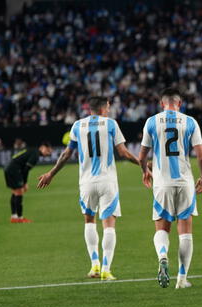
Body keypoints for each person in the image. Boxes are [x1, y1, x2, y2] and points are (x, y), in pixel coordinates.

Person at [37, 96, 142, 280]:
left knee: (89, 221)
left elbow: (66, 154)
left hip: (86, 182)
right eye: (108, 107)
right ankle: (106, 269)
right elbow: (123, 153)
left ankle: (94, 265)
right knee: (109, 224)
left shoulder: (77, 125)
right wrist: (144, 165)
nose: (109, 110)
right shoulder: (110, 124)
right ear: (103, 108)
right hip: (107, 181)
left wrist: (51, 174)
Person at [139, 88, 202, 288]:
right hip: (185, 183)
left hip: (162, 183)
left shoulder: (152, 121)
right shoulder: (190, 121)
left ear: (162, 104)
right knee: (185, 231)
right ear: (179, 104)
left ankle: (162, 256)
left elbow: (142, 156)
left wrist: (145, 171)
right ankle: (182, 279)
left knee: (162, 227)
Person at [5, 142, 52, 223]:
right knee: (19, 192)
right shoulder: (36, 155)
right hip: (14, 169)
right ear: (42, 147)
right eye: (47, 151)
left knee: (14, 192)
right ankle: (20, 218)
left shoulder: (32, 150)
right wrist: (24, 183)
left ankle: (14, 216)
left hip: (8, 167)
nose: (47, 153)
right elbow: (26, 169)